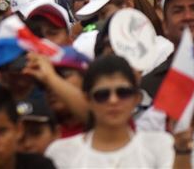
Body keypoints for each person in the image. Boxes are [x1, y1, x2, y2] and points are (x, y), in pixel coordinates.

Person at [46, 55, 174, 168]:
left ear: (136, 98)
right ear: (87, 99)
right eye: (102, 95)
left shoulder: (160, 144)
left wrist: (183, 149)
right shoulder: (61, 152)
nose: (113, 100)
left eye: (123, 93)